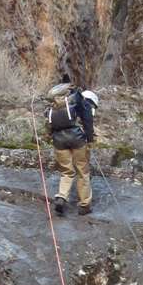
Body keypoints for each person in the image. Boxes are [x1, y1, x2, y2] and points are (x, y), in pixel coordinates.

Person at [45, 81, 98, 216]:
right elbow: (87, 121)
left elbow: (49, 126)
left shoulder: (55, 105)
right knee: (82, 172)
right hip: (77, 139)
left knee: (67, 172)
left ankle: (62, 197)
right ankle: (84, 206)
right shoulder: (81, 101)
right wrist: (90, 140)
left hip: (59, 141)